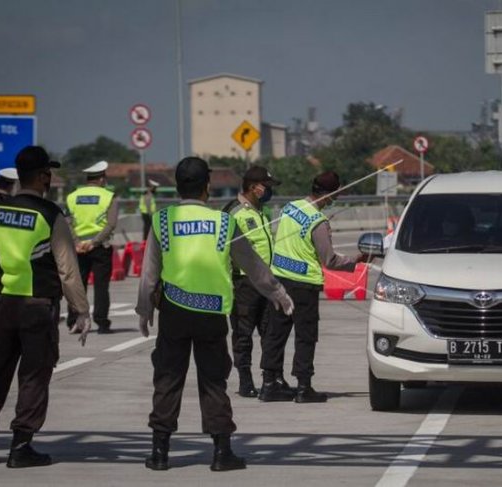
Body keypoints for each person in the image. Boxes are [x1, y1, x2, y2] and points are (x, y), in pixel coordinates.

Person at [135, 156, 294, 472]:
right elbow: (254, 266)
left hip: (174, 311)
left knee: (167, 379)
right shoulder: (224, 223)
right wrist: (278, 293)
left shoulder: (162, 220)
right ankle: (222, 453)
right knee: (213, 381)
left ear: (178, 186)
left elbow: (149, 273)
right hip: (210, 315)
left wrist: (144, 309)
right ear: (207, 186)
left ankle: (160, 452)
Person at [0, 146, 91, 469]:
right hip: (37, 309)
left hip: (3, 307)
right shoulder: (51, 215)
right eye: (50, 172)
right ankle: (20, 447)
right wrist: (82, 310)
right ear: (44, 176)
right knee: (34, 377)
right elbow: (67, 269)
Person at [259, 171, 365, 403]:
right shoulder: (318, 222)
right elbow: (329, 260)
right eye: (335, 196)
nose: (334, 201)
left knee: (276, 333)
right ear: (328, 194)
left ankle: (269, 383)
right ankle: (303, 386)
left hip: (278, 279)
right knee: (305, 336)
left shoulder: (290, 207)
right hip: (303, 285)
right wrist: (357, 260)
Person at [222, 165, 280, 398]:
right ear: (254, 187)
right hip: (244, 284)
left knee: (270, 333)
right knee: (243, 335)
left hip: (266, 283)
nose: (269, 191)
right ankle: (245, 380)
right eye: (267, 186)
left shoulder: (261, 212)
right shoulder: (234, 213)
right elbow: (225, 251)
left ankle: (270, 378)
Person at [65, 160, 118, 334]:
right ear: (102, 179)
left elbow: (68, 222)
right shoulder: (109, 196)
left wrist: (77, 242)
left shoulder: (72, 197)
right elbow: (110, 225)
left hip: (78, 247)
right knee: (101, 286)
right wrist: (93, 242)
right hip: (100, 246)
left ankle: (74, 320)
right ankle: (102, 323)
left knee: (77, 285)